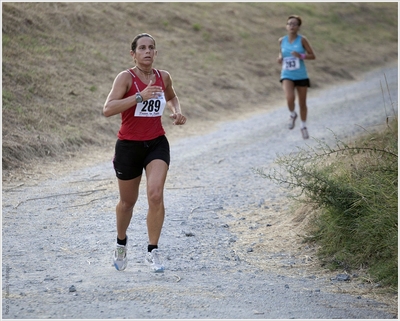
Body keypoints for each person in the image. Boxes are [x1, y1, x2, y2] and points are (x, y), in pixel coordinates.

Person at [103, 33, 186, 273]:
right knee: (128, 202)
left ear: (156, 53)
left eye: (151, 48)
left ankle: (153, 251)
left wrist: (176, 111)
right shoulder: (125, 78)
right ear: (134, 54)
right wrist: (139, 96)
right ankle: (121, 243)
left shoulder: (164, 77)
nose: (147, 51)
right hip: (128, 146)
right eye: (142, 48)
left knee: (155, 194)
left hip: (156, 143)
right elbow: (108, 109)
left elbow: (171, 97)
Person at [277, 15, 316, 139]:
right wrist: (280, 57)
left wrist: (301, 56)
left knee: (302, 103)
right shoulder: (281, 40)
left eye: (294, 24)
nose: (291, 26)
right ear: (286, 26)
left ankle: (303, 126)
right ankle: (292, 114)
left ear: (298, 27)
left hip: (301, 75)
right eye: (289, 24)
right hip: (287, 73)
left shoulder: (302, 40)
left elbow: (312, 55)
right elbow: (282, 51)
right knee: (289, 97)